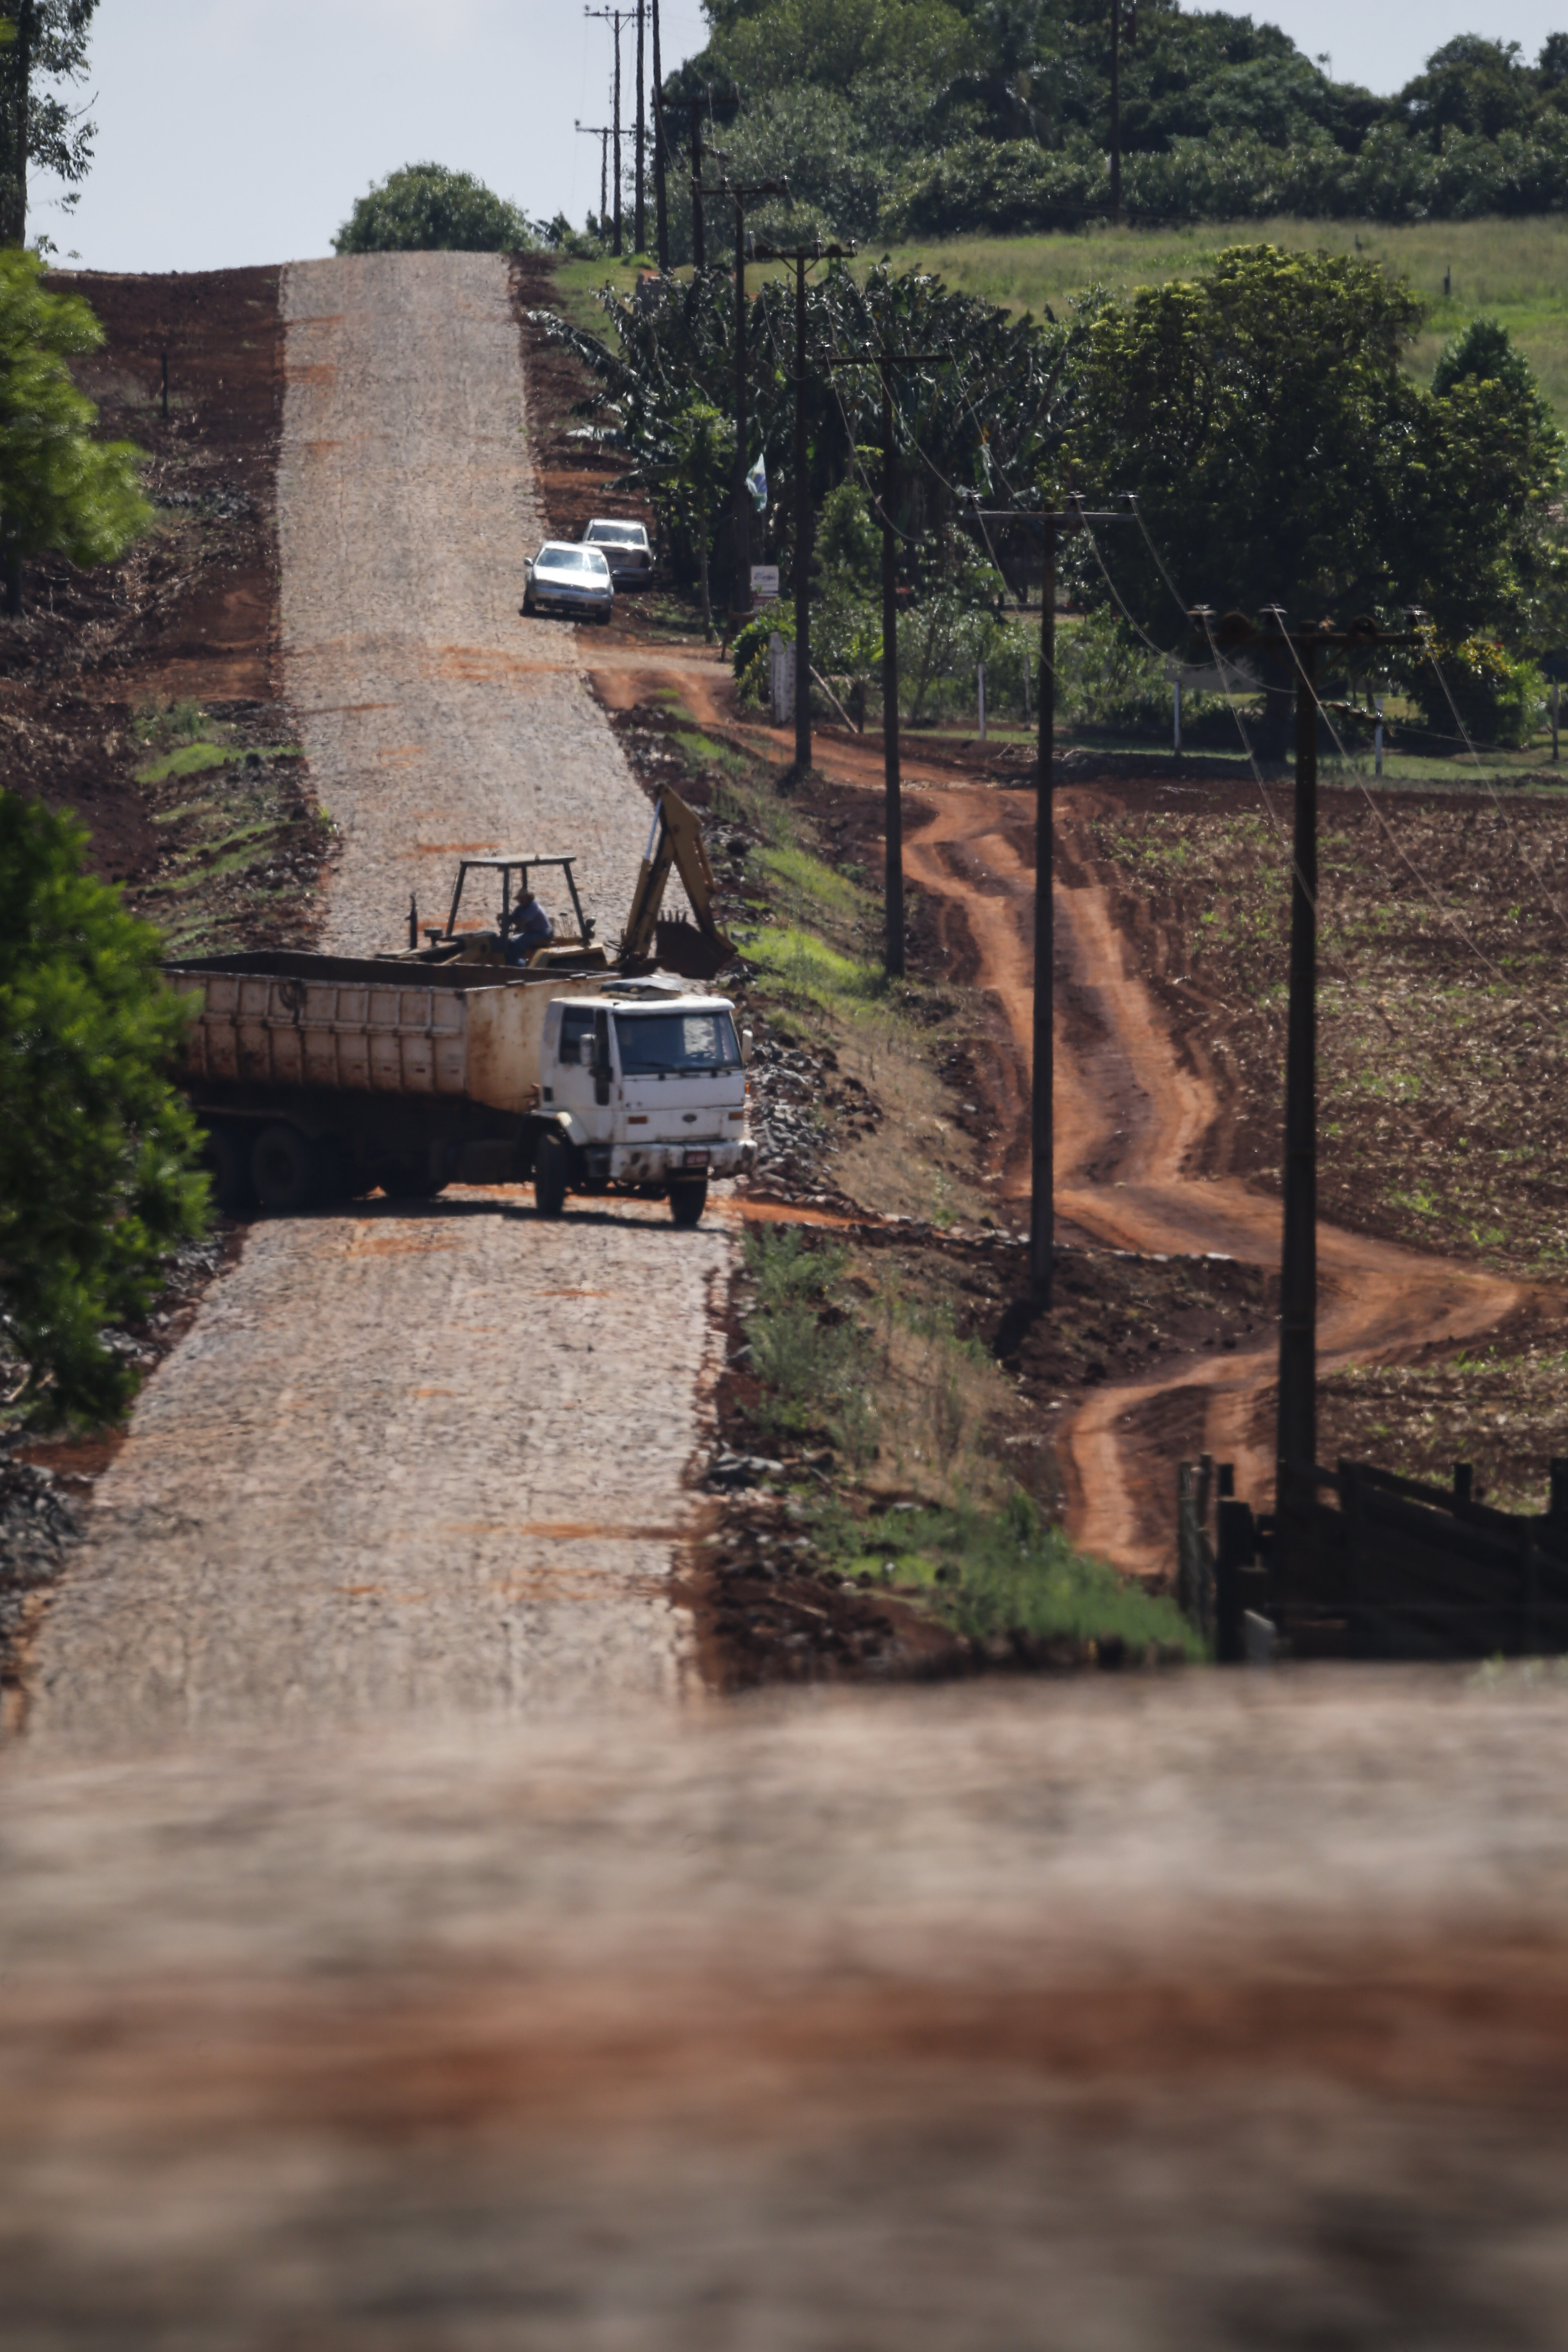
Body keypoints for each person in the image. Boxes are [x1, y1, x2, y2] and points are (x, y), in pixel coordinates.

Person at [506, 889, 553, 964]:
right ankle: (516, 962)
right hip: (531, 933)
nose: (521, 901)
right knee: (511, 942)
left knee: (518, 943)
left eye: (523, 898)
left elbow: (522, 923)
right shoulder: (520, 908)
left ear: (528, 898)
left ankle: (513, 965)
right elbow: (512, 918)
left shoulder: (533, 907)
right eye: (519, 899)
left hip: (543, 933)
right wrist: (504, 917)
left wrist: (509, 918)